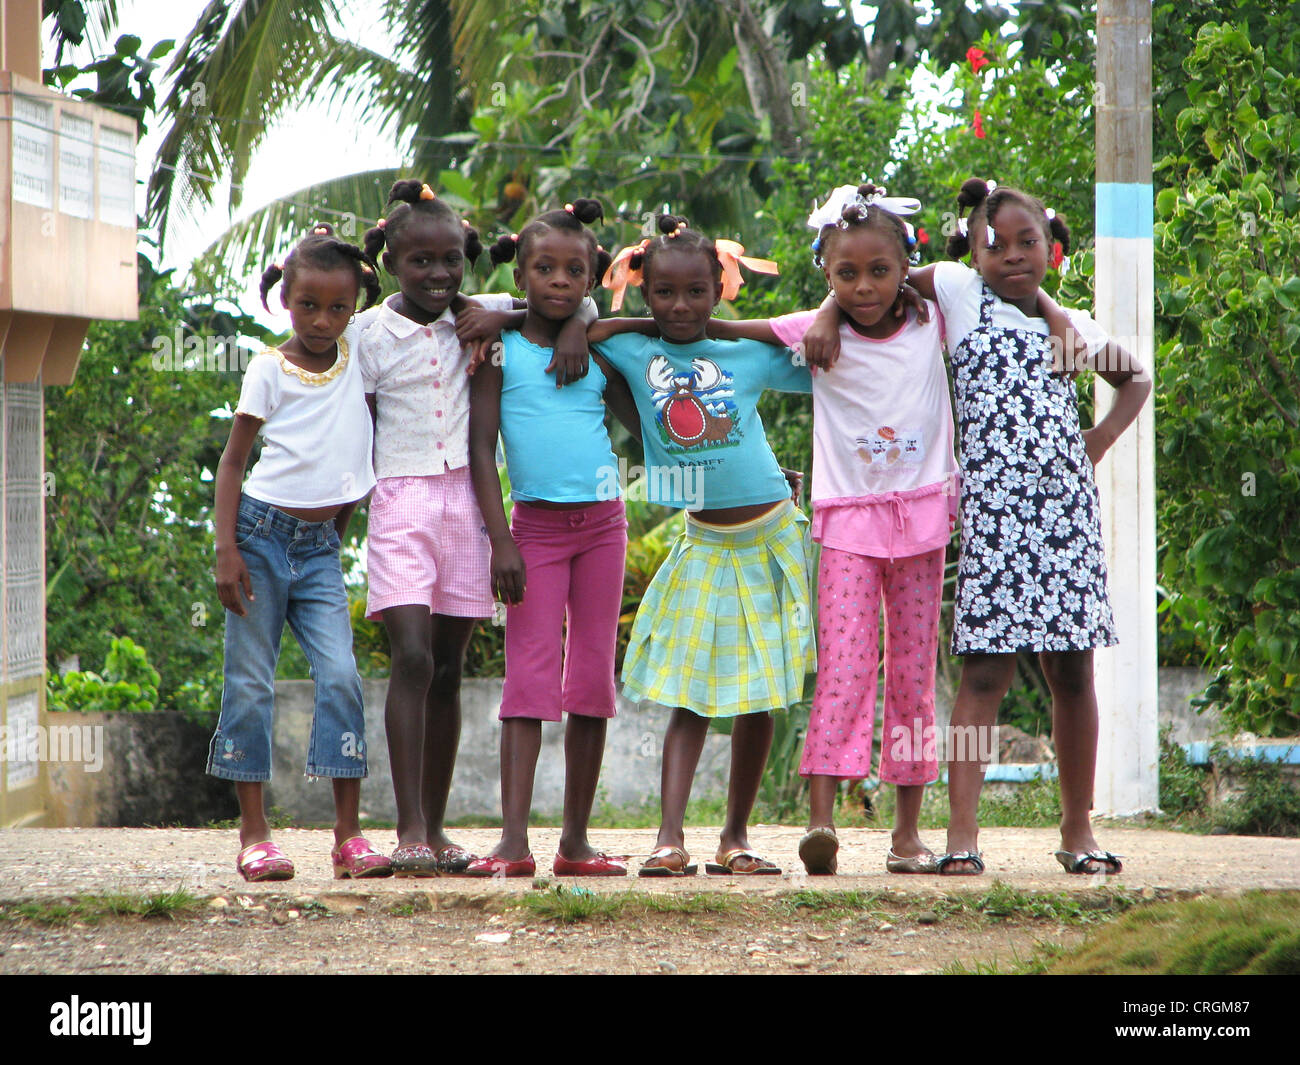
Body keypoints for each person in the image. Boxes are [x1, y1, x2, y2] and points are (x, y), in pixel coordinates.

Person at [809, 177, 1151, 876]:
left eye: (1031, 243)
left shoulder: (1075, 327)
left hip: (1065, 522)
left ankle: (1077, 828)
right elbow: (883, 270)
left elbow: (1135, 380)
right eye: (997, 244)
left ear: (1053, 248)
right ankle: (962, 833)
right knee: (985, 673)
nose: (1014, 255)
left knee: (1074, 672)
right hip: (994, 521)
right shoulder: (962, 296)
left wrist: (1099, 439)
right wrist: (820, 314)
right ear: (973, 249)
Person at [704, 183, 957, 875]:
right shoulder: (821, 333)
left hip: (924, 519)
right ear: (825, 271)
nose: (865, 285)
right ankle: (821, 820)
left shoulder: (936, 319)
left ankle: (907, 835)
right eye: (845, 273)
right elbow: (727, 332)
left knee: (912, 675)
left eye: (880, 269)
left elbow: (964, 275)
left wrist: (830, 301)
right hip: (848, 525)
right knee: (843, 669)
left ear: (906, 264)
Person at [357, 180, 593, 876]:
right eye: (420, 262)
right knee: (413, 656)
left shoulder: (489, 312)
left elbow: (573, 298)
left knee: (450, 669)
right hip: (398, 499)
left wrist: (577, 324)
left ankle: (436, 827)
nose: (438, 275)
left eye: (451, 261)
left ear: (468, 259)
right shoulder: (369, 331)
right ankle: (407, 829)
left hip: (467, 503)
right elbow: (352, 418)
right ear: (393, 264)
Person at [589, 215, 813, 877]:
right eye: (662, 292)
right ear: (643, 288)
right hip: (704, 543)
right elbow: (589, 332)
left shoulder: (747, 353)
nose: (679, 306)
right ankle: (668, 837)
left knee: (761, 694)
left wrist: (734, 329)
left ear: (721, 288)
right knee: (690, 696)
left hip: (772, 535)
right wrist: (638, 334)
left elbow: (824, 351)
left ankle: (736, 837)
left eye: (695, 292)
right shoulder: (634, 349)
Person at [209, 224, 391, 882]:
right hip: (258, 538)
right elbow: (233, 464)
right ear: (285, 298)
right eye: (308, 304)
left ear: (356, 305)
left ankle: (348, 835)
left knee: (341, 676)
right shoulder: (267, 369)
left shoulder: (359, 358)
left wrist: (336, 526)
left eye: (339, 307)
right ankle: (254, 833)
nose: (323, 319)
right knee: (251, 684)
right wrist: (226, 549)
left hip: (319, 551)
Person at [463, 200, 640, 877]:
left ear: (593, 278)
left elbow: (652, 432)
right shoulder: (498, 350)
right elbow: (482, 450)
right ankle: (512, 842)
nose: (559, 281)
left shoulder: (597, 349)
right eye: (544, 268)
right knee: (528, 681)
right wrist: (500, 540)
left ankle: (575, 841)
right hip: (532, 528)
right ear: (521, 270)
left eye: (575, 271)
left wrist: (587, 326)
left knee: (591, 679)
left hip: (603, 527)